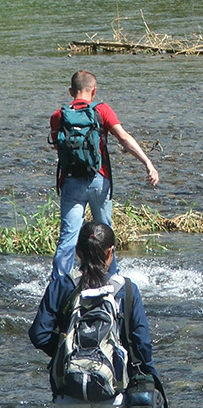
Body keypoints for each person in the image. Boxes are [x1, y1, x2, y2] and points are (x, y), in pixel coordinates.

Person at [30, 222, 160, 408]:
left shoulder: (62, 286)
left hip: (69, 390)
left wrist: (67, 353)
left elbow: (38, 334)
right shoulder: (126, 289)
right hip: (113, 390)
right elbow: (141, 343)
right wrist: (149, 377)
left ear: (78, 252)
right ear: (111, 252)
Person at [49, 70, 160, 280]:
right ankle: (111, 278)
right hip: (99, 180)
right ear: (94, 90)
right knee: (105, 234)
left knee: (69, 236)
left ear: (71, 91)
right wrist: (148, 163)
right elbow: (123, 138)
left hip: (71, 181)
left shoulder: (58, 116)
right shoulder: (102, 110)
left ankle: (59, 284)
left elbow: (58, 147)